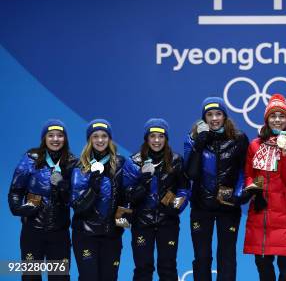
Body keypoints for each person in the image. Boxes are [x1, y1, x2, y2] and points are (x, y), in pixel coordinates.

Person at [184, 97, 250, 281]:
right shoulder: (193, 138)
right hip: (201, 207)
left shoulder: (238, 139)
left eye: (218, 114)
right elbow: (191, 175)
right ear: (203, 118)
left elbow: (246, 172)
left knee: (227, 256)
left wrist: (238, 196)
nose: (214, 118)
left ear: (225, 116)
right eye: (210, 114)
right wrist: (199, 144)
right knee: (202, 257)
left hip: (228, 208)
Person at [8, 119, 78, 281]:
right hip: (32, 231)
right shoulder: (31, 159)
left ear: (65, 139)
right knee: (31, 276)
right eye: (51, 135)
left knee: (60, 277)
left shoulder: (73, 162)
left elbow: (75, 198)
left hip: (59, 233)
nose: (55, 139)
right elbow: (16, 191)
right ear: (44, 138)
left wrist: (63, 185)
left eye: (60, 135)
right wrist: (18, 208)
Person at [123, 118, 190, 281]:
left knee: (168, 267)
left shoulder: (176, 160)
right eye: (152, 136)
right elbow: (126, 194)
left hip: (168, 222)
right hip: (142, 223)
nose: (157, 140)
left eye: (161, 136)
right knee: (142, 268)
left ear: (166, 138)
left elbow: (184, 190)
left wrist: (174, 207)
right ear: (146, 138)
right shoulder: (134, 162)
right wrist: (143, 184)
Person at [243, 94, 286, 281]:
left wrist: (285, 154)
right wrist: (255, 191)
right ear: (267, 119)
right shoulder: (255, 145)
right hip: (261, 212)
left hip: (285, 214)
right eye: (273, 116)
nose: (277, 120)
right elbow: (250, 174)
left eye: (281, 116)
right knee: (263, 266)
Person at [71, 119, 126, 281]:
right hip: (85, 234)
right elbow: (77, 205)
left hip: (111, 236)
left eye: (104, 136)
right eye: (95, 136)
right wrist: (93, 188)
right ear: (89, 139)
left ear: (109, 139)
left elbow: (127, 198)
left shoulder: (121, 163)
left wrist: (120, 226)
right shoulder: (80, 166)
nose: (100, 140)